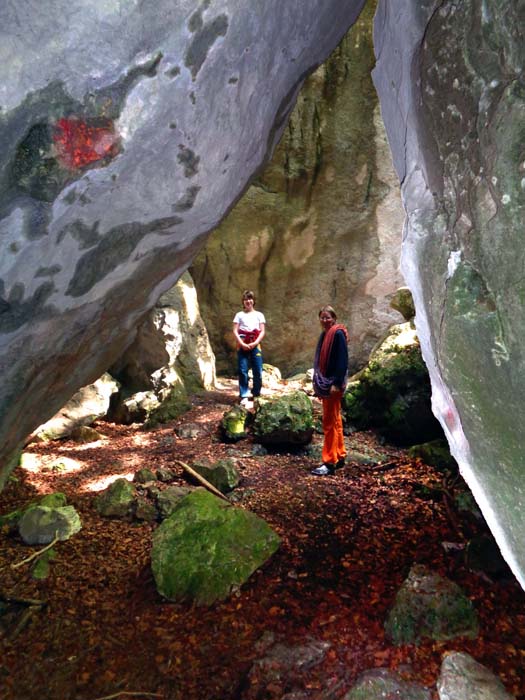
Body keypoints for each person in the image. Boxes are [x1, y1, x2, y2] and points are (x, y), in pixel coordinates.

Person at [311, 305, 349, 476]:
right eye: (322, 317)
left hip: (333, 384)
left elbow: (343, 360)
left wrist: (336, 383)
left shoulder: (338, 334)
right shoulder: (326, 334)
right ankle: (339, 455)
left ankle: (329, 462)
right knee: (336, 420)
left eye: (328, 317)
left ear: (334, 318)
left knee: (329, 422)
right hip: (330, 382)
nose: (325, 320)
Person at [233, 290, 266, 405]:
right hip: (242, 345)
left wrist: (255, 342)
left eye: (250, 298)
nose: (248, 301)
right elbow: (235, 330)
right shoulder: (239, 315)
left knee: (258, 370)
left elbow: (262, 331)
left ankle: (256, 393)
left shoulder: (259, 315)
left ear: (254, 301)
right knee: (243, 370)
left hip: (255, 345)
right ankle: (244, 394)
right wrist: (242, 344)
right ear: (243, 301)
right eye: (246, 299)